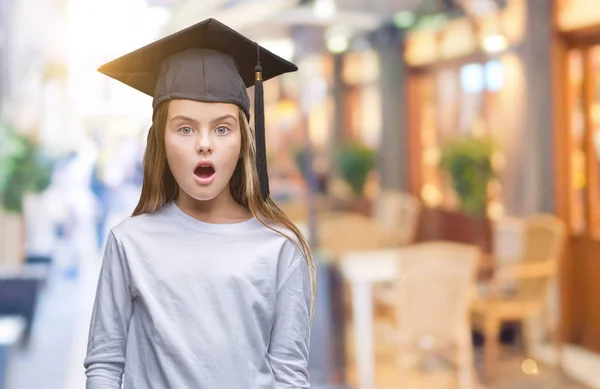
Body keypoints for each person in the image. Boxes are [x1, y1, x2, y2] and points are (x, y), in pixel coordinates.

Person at [83, 18, 316, 389]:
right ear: (160, 140)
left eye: (222, 128)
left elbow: (289, 374)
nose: (204, 144)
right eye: (185, 128)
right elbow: (105, 364)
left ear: (243, 142)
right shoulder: (129, 243)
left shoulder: (280, 248)